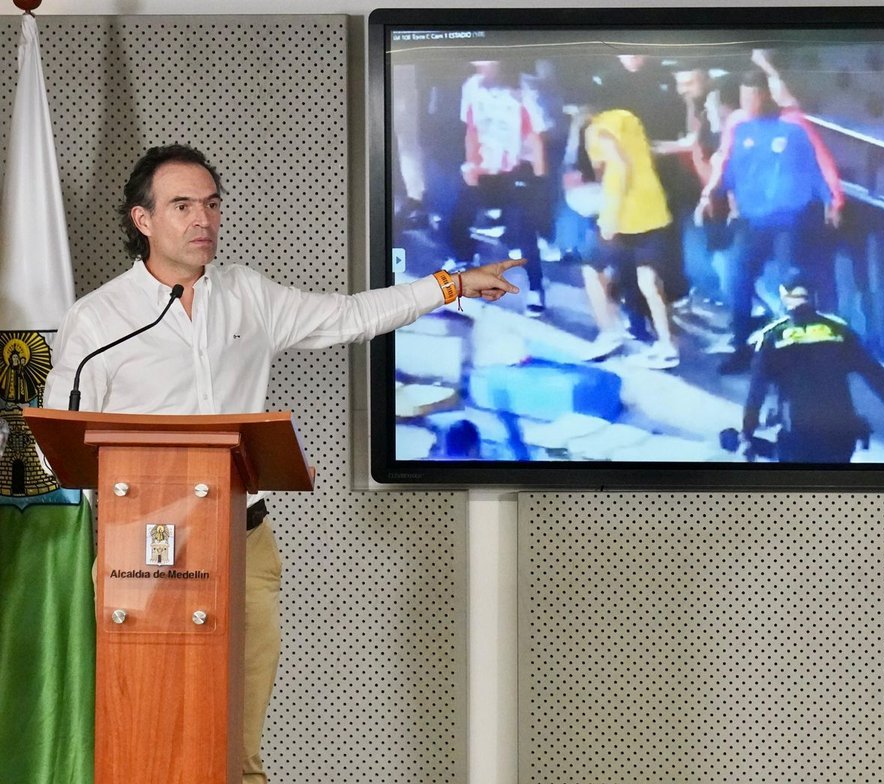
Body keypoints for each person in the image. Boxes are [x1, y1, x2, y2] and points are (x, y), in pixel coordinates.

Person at [41, 144, 524, 784]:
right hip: (143, 548)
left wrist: (451, 284)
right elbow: (62, 449)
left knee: (236, 751)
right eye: (182, 205)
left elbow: (350, 317)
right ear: (143, 221)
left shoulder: (248, 296)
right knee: (141, 740)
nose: (202, 220)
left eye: (211, 204)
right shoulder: (99, 320)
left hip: (242, 545)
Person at [697, 70, 835, 375]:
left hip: (788, 220)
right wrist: (710, 195)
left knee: (792, 283)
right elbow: (726, 167)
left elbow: (818, 166)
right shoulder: (739, 127)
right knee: (737, 280)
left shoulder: (792, 126)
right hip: (751, 220)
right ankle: (741, 347)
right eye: (744, 96)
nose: (748, 102)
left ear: (765, 94)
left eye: (754, 95)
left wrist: (832, 199)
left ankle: (804, 354)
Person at [741, 274, 884, 463]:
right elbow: (874, 374)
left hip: (798, 434)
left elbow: (756, 392)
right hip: (840, 435)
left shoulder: (772, 337)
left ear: (785, 299)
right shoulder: (839, 330)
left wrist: (747, 432)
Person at [582, 108, 679, 369]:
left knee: (593, 271)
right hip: (653, 208)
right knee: (649, 279)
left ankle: (609, 332)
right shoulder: (631, 119)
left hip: (625, 215)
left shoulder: (599, 129)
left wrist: (610, 215)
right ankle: (667, 346)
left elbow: (619, 166)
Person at [449, 59, 548, 316]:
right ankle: (464, 264)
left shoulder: (524, 91)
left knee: (525, 231)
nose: (479, 66)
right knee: (459, 217)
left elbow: (535, 137)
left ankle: (536, 288)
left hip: (514, 169)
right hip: (482, 168)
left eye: (486, 61)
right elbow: (470, 128)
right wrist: (470, 163)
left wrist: (538, 178)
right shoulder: (471, 86)